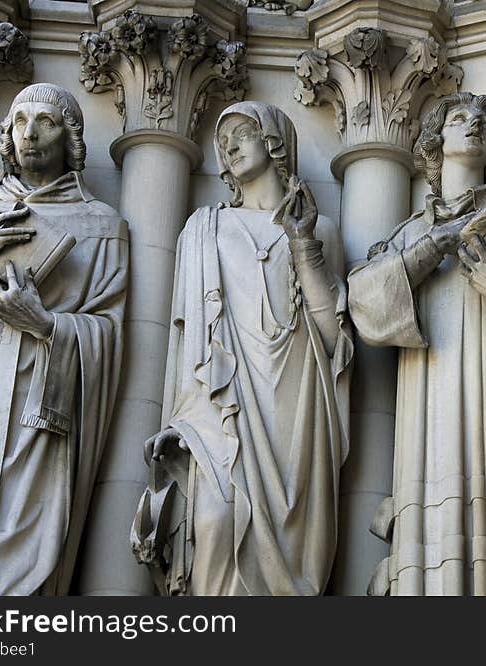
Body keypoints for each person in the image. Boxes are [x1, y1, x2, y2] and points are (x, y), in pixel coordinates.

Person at [131, 101, 352, 596]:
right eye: (223, 139)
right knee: (215, 520)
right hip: (218, 409)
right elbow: (186, 349)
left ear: (275, 141)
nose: (229, 146)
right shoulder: (202, 230)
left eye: (242, 133)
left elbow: (334, 336)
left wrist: (303, 244)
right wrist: (177, 421)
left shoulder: (321, 231)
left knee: (297, 544)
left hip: (297, 405)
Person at [0, 83, 129, 595]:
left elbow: (110, 336)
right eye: (19, 121)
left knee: (20, 570)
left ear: (72, 138)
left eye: (46, 122)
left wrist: (47, 324)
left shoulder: (103, 227)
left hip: (38, 424)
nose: (29, 133)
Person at [348, 92, 486, 596]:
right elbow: (364, 305)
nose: (475, 127)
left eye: (485, 122)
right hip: (427, 396)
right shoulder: (408, 232)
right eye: (460, 120)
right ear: (434, 142)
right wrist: (432, 247)